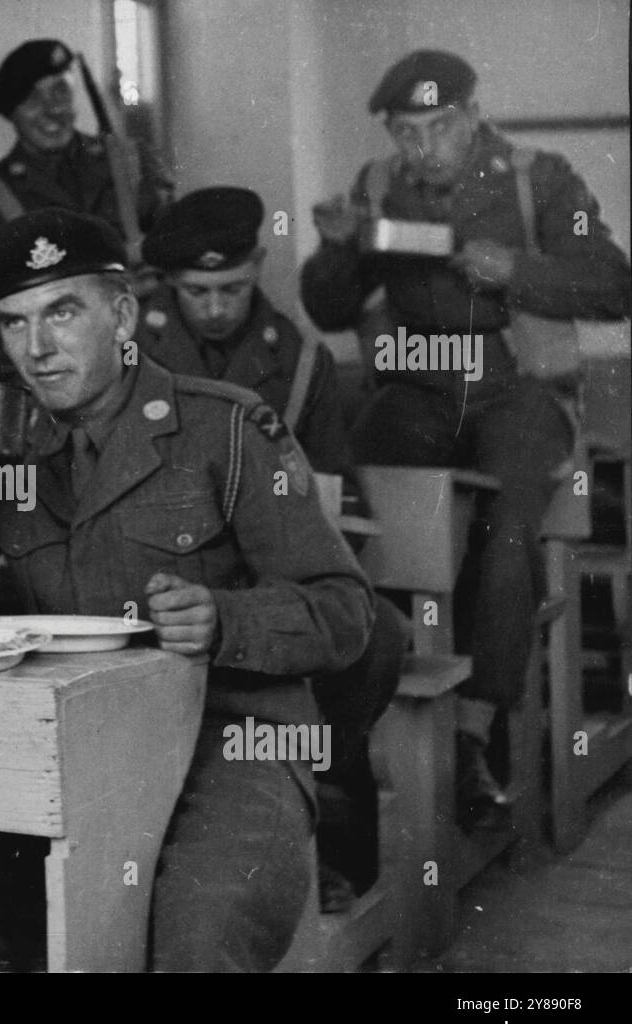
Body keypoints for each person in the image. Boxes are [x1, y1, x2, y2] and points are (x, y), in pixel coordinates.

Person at [0, 208, 376, 971]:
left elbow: (346, 610)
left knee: (199, 931)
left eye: (63, 312)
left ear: (123, 314)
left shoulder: (224, 429)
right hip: (58, 742)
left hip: (231, 739)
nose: (36, 348)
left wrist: (225, 619)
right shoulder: (2, 444)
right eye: (14, 322)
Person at [300, 50, 632, 826]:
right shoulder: (378, 185)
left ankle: (475, 738)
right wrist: (339, 247)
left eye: (440, 127)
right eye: (406, 132)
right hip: (416, 389)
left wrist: (519, 268)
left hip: (517, 389)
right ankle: (360, 718)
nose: (424, 149)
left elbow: (617, 284)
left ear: (474, 115)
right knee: (350, 505)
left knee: (509, 523)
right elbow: (327, 306)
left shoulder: (538, 178)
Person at [138, 186, 410, 908]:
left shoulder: (298, 361)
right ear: (168, 285)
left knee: (375, 639)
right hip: (154, 576)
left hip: (263, 581)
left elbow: (336, 492)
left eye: (233, 286)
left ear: (259, 264)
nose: (218, 306)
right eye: (197, 291)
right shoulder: (129, 346)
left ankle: (304, 822)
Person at [0, 38, 173, 382]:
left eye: (60, 92)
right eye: (33, 99)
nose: (52, 110)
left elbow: (181, 259)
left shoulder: (133, 163)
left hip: (147, 354)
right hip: (61, 366)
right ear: (11, 113)